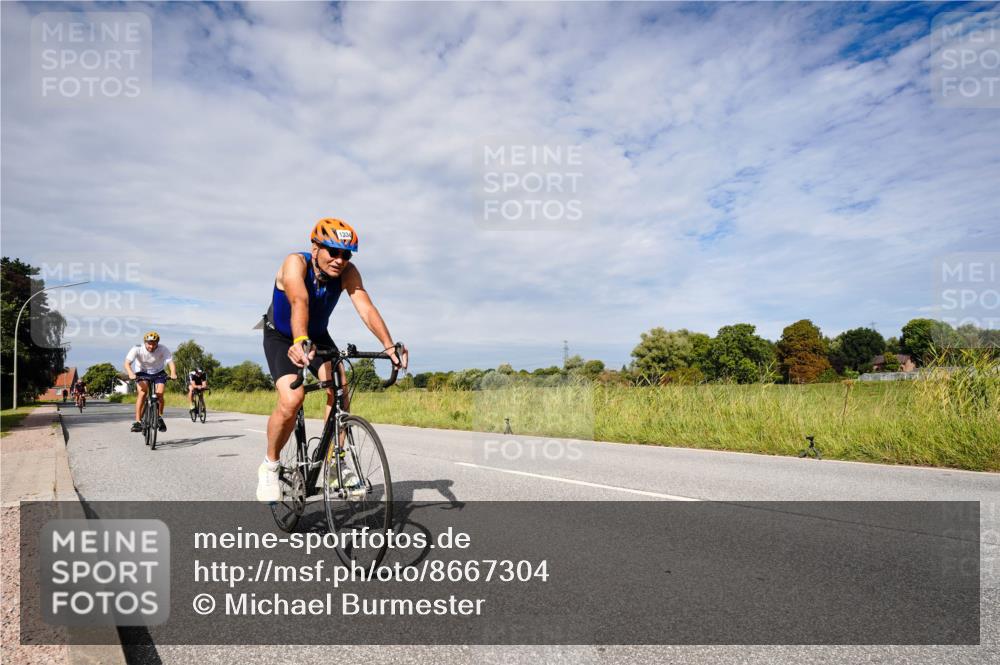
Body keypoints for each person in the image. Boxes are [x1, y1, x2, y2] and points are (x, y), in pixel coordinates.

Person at [256, 218, 407, 502]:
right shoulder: (295, 263)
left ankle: (336, 462)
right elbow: (299, 301)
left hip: (317, 334)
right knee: (292, 399)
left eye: (346, 254)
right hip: (283, 335)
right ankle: (270, 465)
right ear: (315, 249)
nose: (340, 260)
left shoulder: (347, 272)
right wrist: (300, 341)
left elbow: (365, 306)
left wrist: (388, 345)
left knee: (339, 385)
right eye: (333, 252)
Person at [123, 331, 177, 433]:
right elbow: (127, 363)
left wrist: (173, 373)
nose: (151, 346)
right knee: (143, 393)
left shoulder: (163, 349)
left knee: (160, 394)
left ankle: (159, 417)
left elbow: (170, 363)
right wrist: (130, 373)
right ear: (145, 342)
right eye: (149, 343)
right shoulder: (137, 348)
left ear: (157, 343)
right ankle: (138, 421)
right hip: (142, 372)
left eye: (154, 343)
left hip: (158, 372)